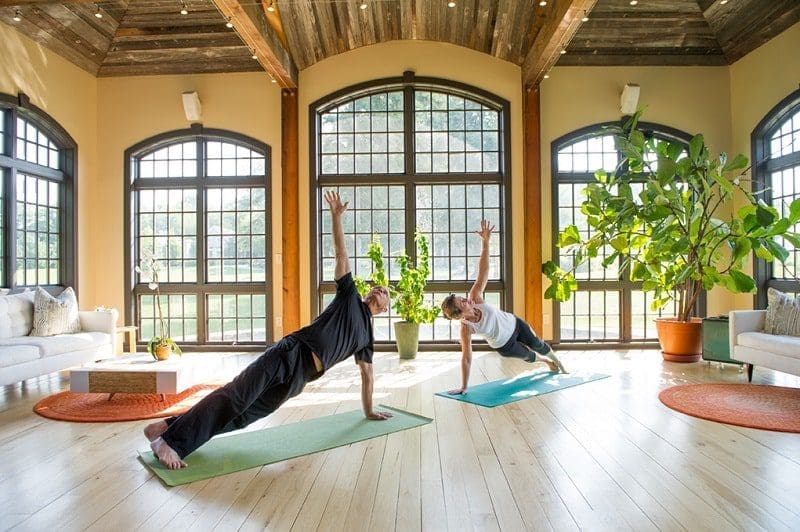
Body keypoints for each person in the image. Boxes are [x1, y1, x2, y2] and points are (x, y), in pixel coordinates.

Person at [144, 190, 393, 469]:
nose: (379, 290)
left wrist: (369, 411)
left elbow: (368, 375)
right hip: (291, 353)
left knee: (244, 415)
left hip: (301, 378)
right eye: (378, 287)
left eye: (385, 294)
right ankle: (169, 443)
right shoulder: (349, 295)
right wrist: (336, 217)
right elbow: (341, 254)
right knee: (237, 396)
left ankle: (167, 428)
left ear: (383, 310)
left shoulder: (366, 337)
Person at [440, 220, 566, 395]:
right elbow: (467, 358)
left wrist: (485, 243)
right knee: (530, 357)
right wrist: (464, 387)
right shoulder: (466, 328)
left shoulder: (475, 297)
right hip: (504, 345)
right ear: (460, 314)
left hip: (515, 324)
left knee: (537, 343)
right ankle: (546, 362)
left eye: (463, 298)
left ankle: (557, 361)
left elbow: (483, 270)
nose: (466, 300)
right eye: (462, 303)